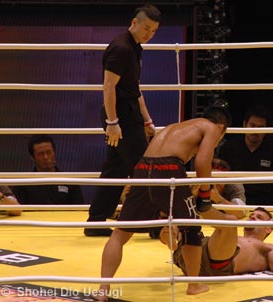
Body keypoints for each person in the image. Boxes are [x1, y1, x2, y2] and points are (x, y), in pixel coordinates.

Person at [92, 106, 231, 301]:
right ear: (222, 127)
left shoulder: (177, 127)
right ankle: (194, 285)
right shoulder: (212, 128)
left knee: (120, 233)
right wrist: (206, 193)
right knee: (190, 228)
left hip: (142, 167)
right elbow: (202, 162)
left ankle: (103, 289)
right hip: (169, 168)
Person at [84, 3, 160, 237]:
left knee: (115, 169)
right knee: (143, 168)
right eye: (146, 28)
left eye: (154, 31)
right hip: (121, 117)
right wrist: (113, 122)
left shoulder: (135, 47)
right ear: (134, 22)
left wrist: (147, 121)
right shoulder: (121, 48)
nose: (149, 34)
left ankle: (96, 220)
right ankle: (152, 223)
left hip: (127, 114)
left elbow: (134, 89)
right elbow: (109, 87)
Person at [160, 207, 273, 276]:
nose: (252, 217)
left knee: (231, 221)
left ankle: (202, 207)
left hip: (217, 263)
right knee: (175, 224)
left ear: (269, 228)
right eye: (251, 215)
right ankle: (174, 242)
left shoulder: (267, 247)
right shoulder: (233, 237)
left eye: (259, 217)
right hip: (194, 256)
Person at [218, 105, 273, 205]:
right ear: (244, 125)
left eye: (261, 127)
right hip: (234, 203)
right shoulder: (229, 147)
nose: (255, 130)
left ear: (267, 129)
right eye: (252, 125)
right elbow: (218, 179)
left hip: (264, 206)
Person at [12, 134, 84, 205]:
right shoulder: (23, 184)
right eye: (40, 154)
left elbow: (80, 211)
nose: (46, 157)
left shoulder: (70, 182)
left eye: (49, 152)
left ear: (54, 152)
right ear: (32, 157)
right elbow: (17, 212)